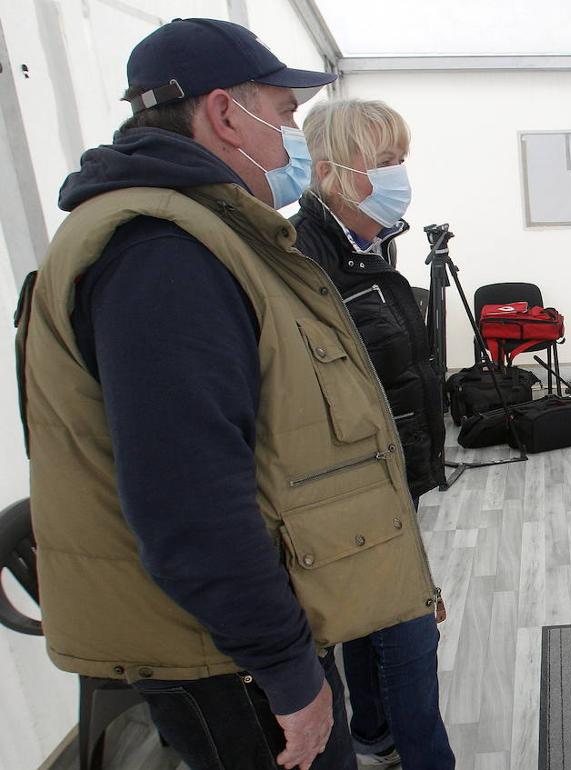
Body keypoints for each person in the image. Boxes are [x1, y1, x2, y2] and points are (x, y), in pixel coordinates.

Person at [17, 20, 440, 770]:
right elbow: (188, 499)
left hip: (230, 635)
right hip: (214, 652)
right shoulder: (161, 254)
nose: (292, 141)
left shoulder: (188, 235)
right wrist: (286, 670)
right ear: (222, 114)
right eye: (282, 115)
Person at [292, 99, 455, 769]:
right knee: (408, 632)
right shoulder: (307, 262)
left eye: (400, 159)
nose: (400, 174)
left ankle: (376, 734)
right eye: (385, 161)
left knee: (371, 625)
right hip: (354, 485)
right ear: (336, 173)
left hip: (389, 473)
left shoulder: (368, 246)